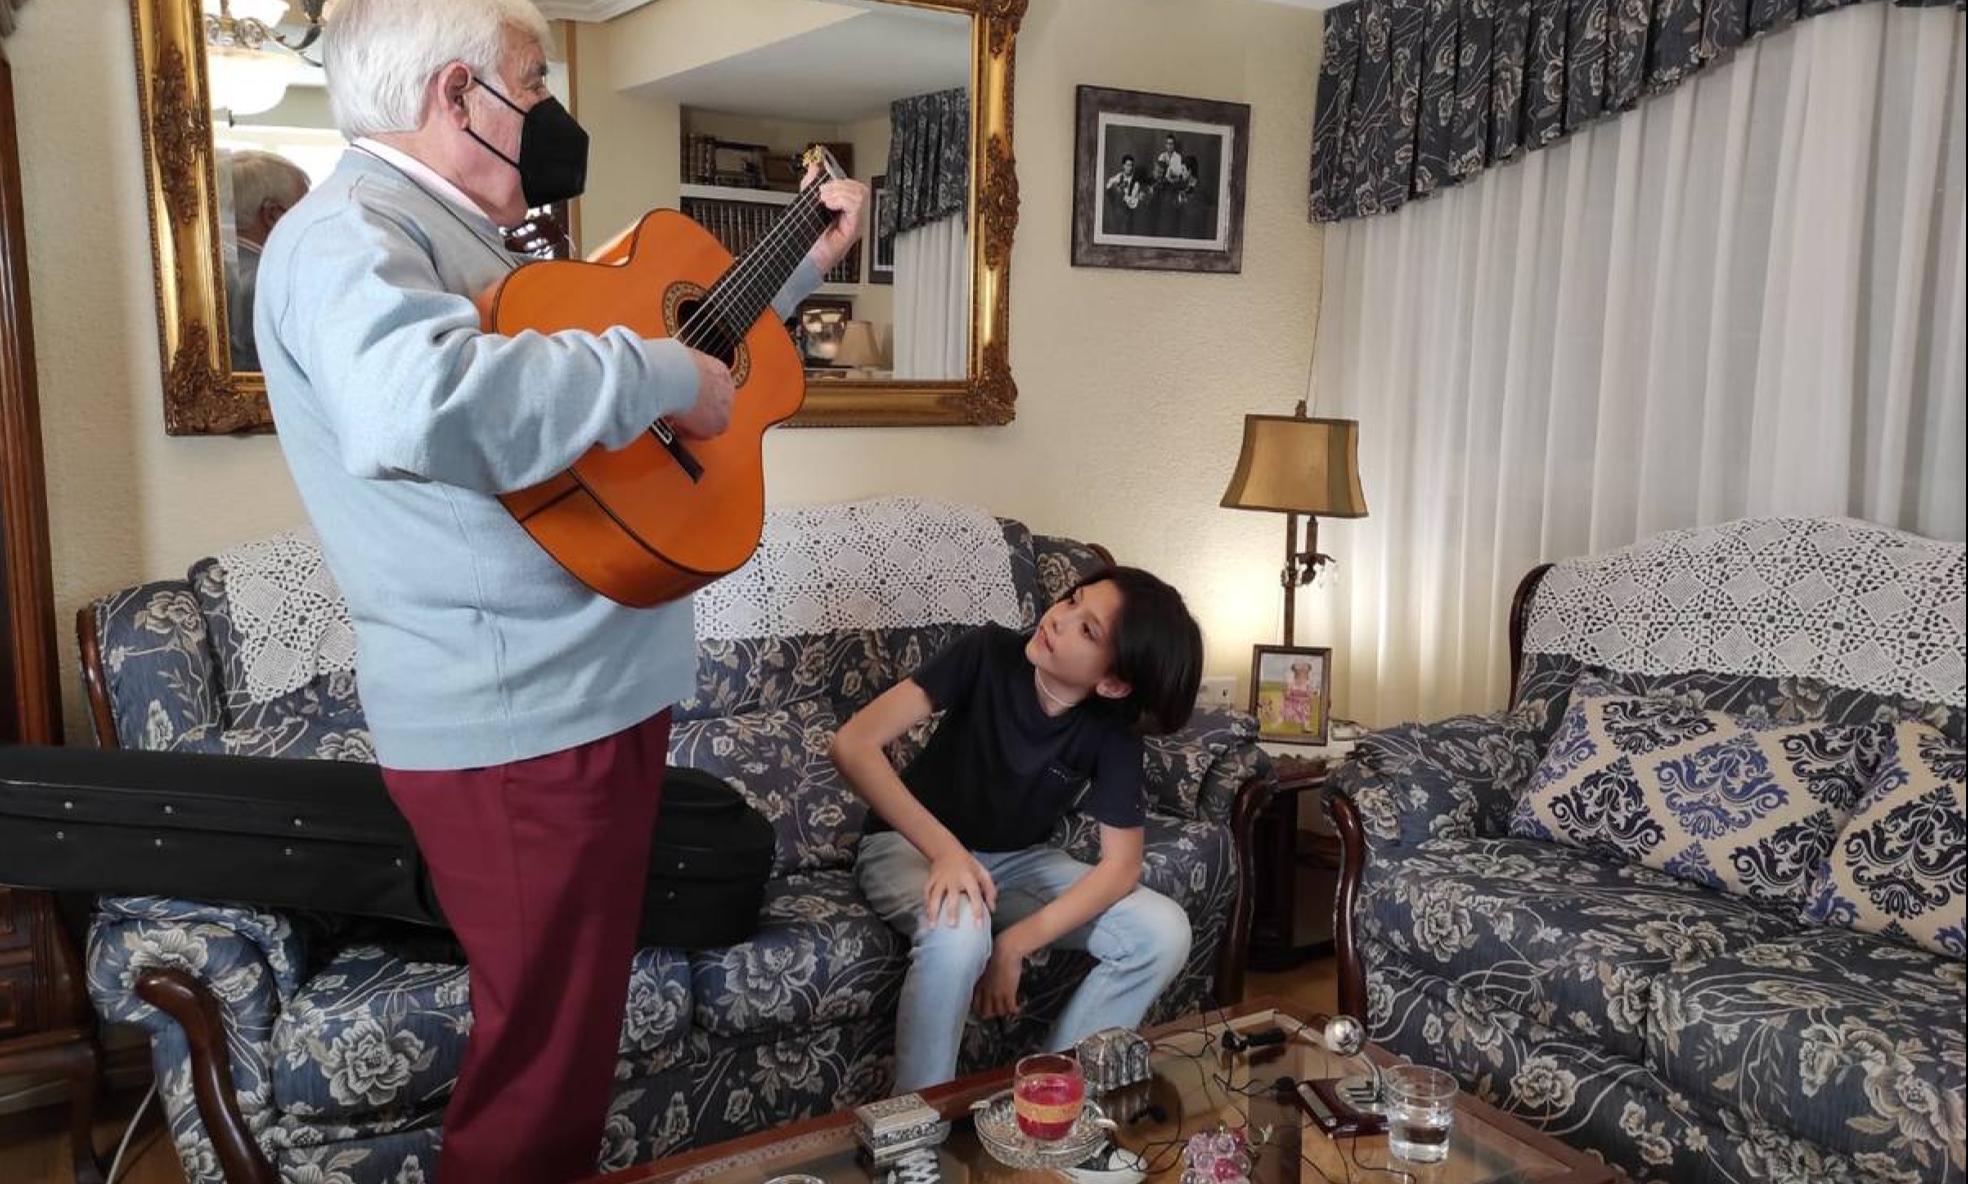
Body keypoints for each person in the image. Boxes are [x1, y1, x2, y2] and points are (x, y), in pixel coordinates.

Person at [252, 1, 866, 1180]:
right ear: (455, 94)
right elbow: (414, 403)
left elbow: (631, 396)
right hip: (517, 719)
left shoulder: (468, 239)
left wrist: (790, 274)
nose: (547, 114)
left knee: (567, 1054)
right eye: (533, 84)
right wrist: (651, 369)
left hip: (581, 694)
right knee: (540, 1069)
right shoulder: (348, 233)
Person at [830, 566, 1205, 1092]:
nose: (1059, 617)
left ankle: (1051, 1102)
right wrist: (946, 852)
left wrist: (1015, 944)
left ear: (1113, 682)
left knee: (1162, 931)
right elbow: (853, 744)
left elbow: (1120, 868)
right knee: (961, 930)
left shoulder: (1112, 730)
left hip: (1014, 864)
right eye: (1072, 600)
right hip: (909, 846)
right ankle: (909, 1135)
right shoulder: (986, 652)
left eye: (1087, 629)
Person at [223, 149, 310, 370]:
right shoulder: (277, 285)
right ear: (273, 214)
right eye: (307, 210)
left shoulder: (212, 277)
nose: (313, 223)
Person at [1104, 154, 1145, 234]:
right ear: (1123, 166)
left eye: (1132, 165)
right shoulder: (1119, 176)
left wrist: (1123, 195)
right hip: (1117, 213)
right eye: (1128, 165)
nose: (1130, 168)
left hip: (1128, 215)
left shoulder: (1136, 182)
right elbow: (1108, 186)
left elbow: (1132, 202)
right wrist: (1116, 187)